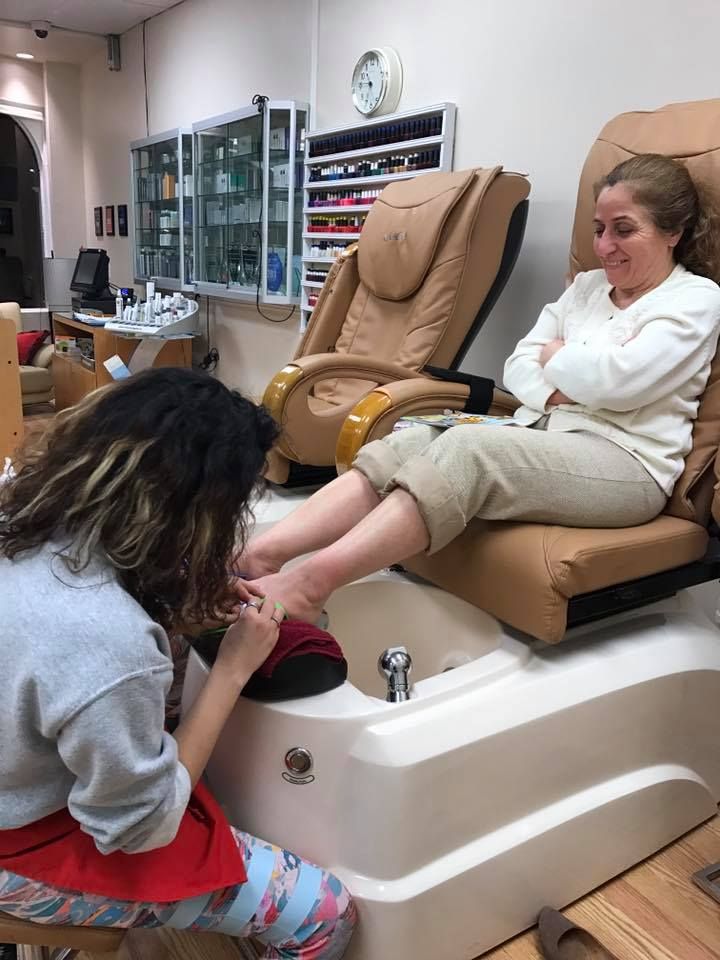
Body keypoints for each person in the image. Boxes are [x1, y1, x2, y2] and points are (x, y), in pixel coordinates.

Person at [240, 154, 720, 623]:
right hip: (548, 431)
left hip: (628, 465)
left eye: (624, 229)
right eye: (599, 229)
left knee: (471, 450)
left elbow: (620, 381)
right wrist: (566, 384)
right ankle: (262, 555)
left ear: (672, 232)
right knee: (409, 440)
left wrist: (557, 359)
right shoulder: (587, 289)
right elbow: (518, 367)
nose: (605, 246)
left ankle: (310, 586)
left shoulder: (695, 298)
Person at [0, 368, 356, 959]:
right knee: (324, 913)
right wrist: (233, 668)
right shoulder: (106, 639)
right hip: (20, 849)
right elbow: (142, 826)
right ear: (196, 513)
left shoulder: (19, 505)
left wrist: (172, 608)